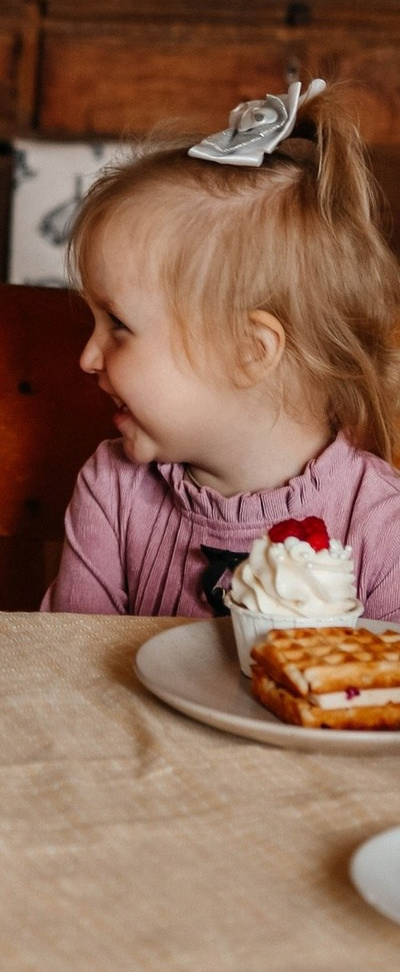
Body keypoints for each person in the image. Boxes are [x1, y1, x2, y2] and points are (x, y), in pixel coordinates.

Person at [47, 79, 400, 618]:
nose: (88, 357)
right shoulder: (112, 491)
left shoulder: (380, 526)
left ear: (249, 351)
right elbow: (62, 671)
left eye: (117, 324)